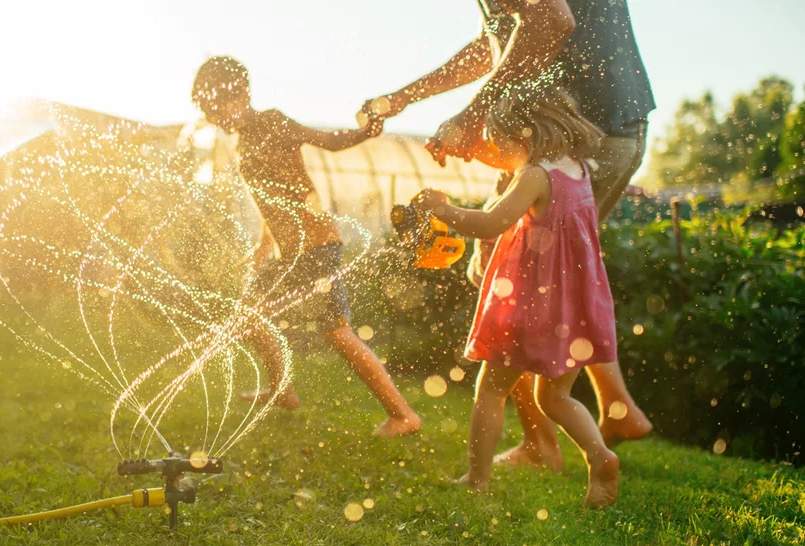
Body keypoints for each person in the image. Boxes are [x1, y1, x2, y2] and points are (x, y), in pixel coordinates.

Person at [371, 0, 654, 466]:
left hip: (590, 121)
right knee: (561, 279)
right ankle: (616, 406)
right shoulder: (566, 167)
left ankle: (541, 444)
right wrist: (407, 97)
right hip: (611, 127)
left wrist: (468, 123)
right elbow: (499, 43)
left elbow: (551, 21)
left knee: (502, 285)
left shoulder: (539, 167)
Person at [191, 56, 422, 437]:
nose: (214, 117)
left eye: (216, 107)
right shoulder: (243, 140)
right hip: (289, 253)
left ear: (240, 95)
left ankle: (402, 415)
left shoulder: (271, 121)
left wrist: (366, 132)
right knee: (250, 315)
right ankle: (282, 390)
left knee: (336, 333)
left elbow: (329, 142)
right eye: (207, 110)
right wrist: (265, 245)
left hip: (316, 246)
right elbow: (275, 196)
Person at [414, 87, 620, 507]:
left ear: (522, 137)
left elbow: (492, 223)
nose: (496, 151)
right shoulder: (579, 170)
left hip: (532, 306)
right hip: (575, 309)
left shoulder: (534, 175)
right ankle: (600, 457)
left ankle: (477, 479)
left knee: (490, 390)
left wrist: (442, 209)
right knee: (555, 397)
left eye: (498, 142)